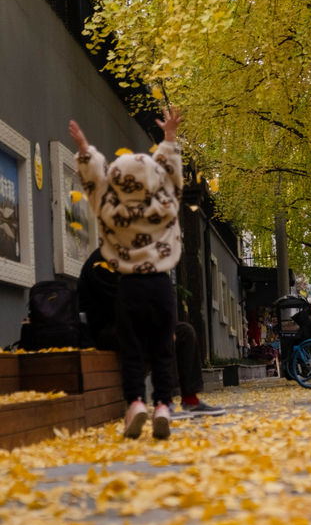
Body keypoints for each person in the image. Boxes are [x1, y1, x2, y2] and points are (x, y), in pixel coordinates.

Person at [69, 107, 184, 440]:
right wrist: (169, 139)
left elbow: (94, 185)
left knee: (132, 349)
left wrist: (85, 151)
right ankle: (163, 404)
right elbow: (172, 175)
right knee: (163, 348)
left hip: (129, 287)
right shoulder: (165, 204)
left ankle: (134, 402)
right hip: (161, 286)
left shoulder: (110, 209)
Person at [77, 248, 223, 417]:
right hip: (107, 328)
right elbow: (117, 305)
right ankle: (164, 402)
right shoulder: (101, 261)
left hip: (135, 323)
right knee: (160, 334)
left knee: (185, 332)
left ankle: (190, 400)